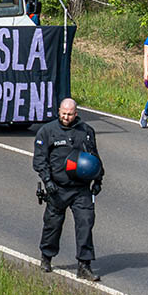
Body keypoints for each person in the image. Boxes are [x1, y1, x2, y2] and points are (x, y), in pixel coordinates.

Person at [34, 98, 103, 281]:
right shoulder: (47, 131)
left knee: (86, 223)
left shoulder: (86, 131)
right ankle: (46, 257)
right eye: (63, 113)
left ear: (76, 113)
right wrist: (47, 181)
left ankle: (84, 265)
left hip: (81, 189)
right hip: (57, 188)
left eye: (70, 114)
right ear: (59, 111)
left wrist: (98, 180)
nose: (66, 117)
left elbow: (94, 157)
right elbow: (40, 160)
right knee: (52, 224)